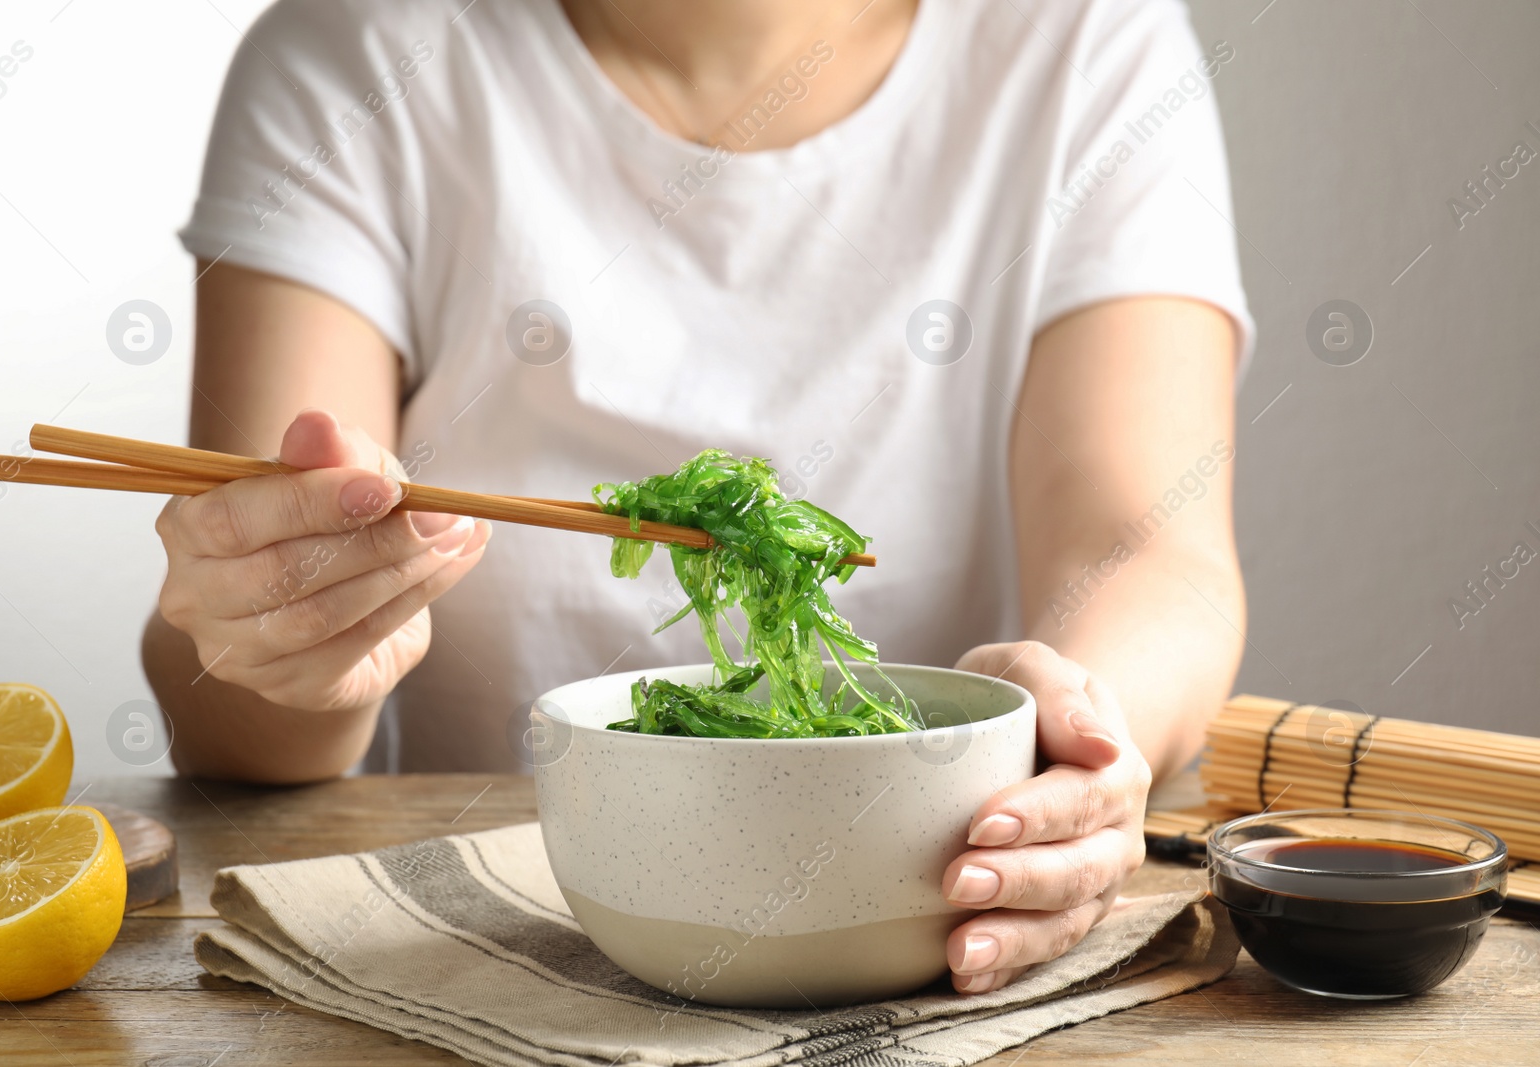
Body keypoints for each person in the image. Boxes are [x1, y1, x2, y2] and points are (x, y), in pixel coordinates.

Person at [144, 0, 1250, 995]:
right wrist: (293, 633)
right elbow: (230, 709)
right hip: (504, 928)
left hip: (931, 891)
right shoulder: (353, 54)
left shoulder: (1083, 41)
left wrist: (1078, 737)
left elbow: (1154, 549)